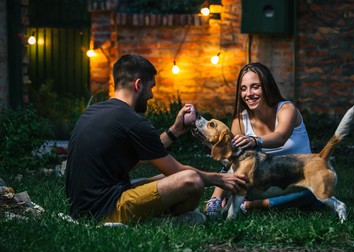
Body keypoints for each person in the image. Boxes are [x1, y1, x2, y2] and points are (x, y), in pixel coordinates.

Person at [66, 54, 248, 225]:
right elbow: (176, 170)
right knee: (191, 179)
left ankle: (154, 218)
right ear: (138, 85)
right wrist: (220, 179)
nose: (151, 95)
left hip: (81, 208)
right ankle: (164, 222)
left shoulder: (93, 112)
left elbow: (137, 161)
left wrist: (175, 130)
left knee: (168, 177)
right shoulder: (134, 122)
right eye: (151, 87)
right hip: (105, 210)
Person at [205, 62, 323, 217]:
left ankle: (250, 206)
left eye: (255, 86)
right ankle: (215, 201)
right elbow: (231, 162)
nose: (248, 93)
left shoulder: (287, 109)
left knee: (311, 194)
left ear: (267, 87)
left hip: (298, 181)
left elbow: (280, 137)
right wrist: (219, 195)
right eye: (243, 88)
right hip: (261, 185)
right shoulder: (240, 121)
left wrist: (255, 141)